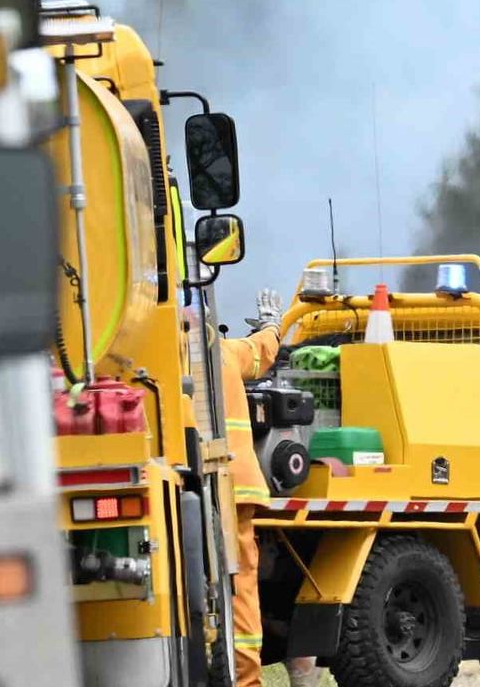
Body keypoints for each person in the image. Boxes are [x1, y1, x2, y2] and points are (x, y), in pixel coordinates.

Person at [225, 289, 284, 687]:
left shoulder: (142, 354)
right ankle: (246, 680)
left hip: (188, 488)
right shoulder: (220, 350)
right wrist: (271, 325)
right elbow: (261, 352)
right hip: (239, 487)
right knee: (241, 585)